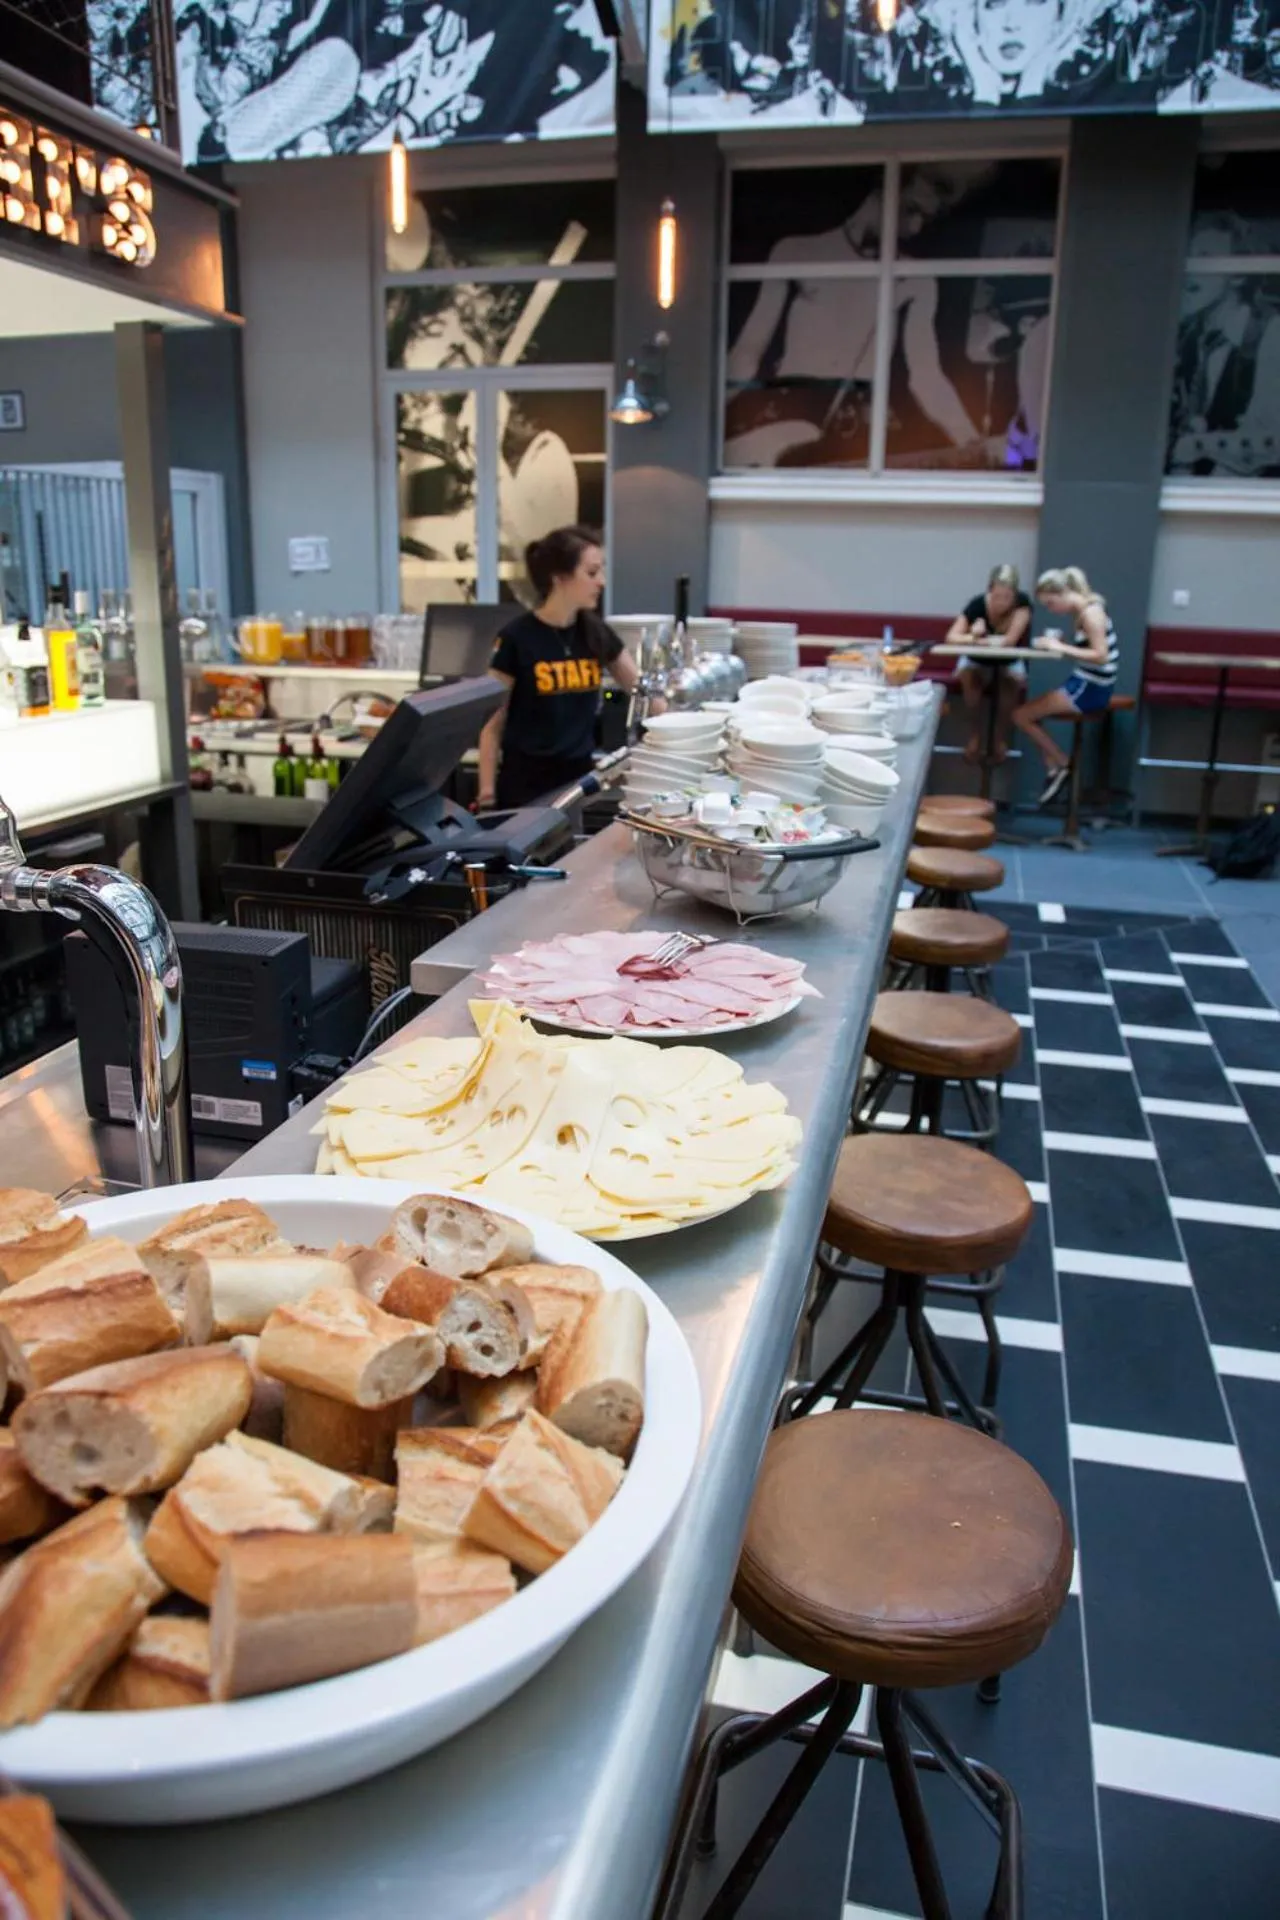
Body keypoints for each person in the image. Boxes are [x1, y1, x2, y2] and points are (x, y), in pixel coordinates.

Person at [476, 526, 642, 811]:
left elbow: (645, 692)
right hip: (524, 790)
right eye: (591, 573)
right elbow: (491, 724)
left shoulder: (595, 633)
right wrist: (486, 792)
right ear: (560, 577)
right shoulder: (516, 638)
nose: (601, 582)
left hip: (576, 789)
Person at [1013, 565, 1120, 807]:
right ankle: (1055, 767)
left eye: (1051, 603)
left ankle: (1061, 763)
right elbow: (1088, 650)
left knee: (1021, 716)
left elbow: (1101, 655)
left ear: (1063, 594)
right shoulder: (1083, 612)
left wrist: (1059, 648)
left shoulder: (1091, 614)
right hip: (1084, 681)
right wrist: (1059, 643)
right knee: (1027, 715)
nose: (1051, 610)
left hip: (1091, 687)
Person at [946, 563, 1032, 763]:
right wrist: (973, 637)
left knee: (1010, 683)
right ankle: (975, 735)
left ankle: (999, 738)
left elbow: (1010, 640)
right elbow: (951, 637)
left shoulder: (1022, 605)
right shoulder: (977, 605)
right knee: (969, 679)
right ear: (989, 590)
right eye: (997, 596)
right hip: (975, 659)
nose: (1002, 602)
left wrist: (985, 638)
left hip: (1008, 660)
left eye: (1007, 598)